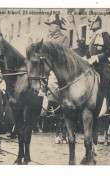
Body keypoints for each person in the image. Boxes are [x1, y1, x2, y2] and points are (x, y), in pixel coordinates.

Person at [44, 14, 69, 144]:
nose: (49, 28)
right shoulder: (46, 38)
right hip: (48, 68)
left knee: (64, 103)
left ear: (57, 27)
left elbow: (63, 53)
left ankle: (64, 133)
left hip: (60, 68)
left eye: (51, 26)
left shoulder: (64, 38)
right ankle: (57, 132)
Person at [86, 15, 110, 115]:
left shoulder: (104, 34)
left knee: (105, 81)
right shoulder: (93, 36)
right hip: (91, 65)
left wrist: (97, 57)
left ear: (97, 23)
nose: (89, 24)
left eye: (90, 22)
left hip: (103, 65)